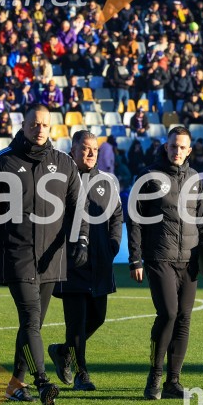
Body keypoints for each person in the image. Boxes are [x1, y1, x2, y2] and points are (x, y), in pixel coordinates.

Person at [0, 104, 89, 405]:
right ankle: (43, 381)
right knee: (32, 319)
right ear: (23, 124)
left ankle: (14, 385)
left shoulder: (63, 163)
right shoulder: (2, 161)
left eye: (45, 126)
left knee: (31, 325)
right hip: (17, 253)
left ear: (52, 129)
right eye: (34, 124)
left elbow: (79, 208)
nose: (39, 130)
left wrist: (82, 240)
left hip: (52, 256)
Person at [127, 126, 203, 400]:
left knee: (184, 318)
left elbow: (202, 220)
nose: (177, 151)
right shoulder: (148, 176)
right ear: (166, 147)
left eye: (182, 147)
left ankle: (173, 381)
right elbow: (135, 218)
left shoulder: (196, 178)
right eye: (173, 146)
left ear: (189, 150)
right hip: (159, 257)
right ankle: (154, 376)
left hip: (189, 260)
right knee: (167, 314)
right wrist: (135, 258)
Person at [49, 130, 123, 391]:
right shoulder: (60, 181)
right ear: (73, 149)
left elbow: (117, 215)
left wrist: (113, 245)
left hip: (100, 263)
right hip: (71, 263)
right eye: (86, 149)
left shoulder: (106, 182)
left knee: (98, 318)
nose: (91, 154)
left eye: (95, 150)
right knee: (76, 322)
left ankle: (62, 351)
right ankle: (82, 374)